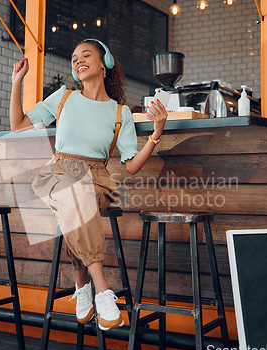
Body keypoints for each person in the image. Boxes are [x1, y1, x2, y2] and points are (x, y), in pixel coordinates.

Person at [9, 39, 167, 331]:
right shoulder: (63, 97)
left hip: (98, 180)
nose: (78, 61)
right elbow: (18, 125)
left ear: (105, 63)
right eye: (74, 58)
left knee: (78, 200)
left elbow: (131, 166)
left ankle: (82, 286)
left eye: (86, 55)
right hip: (57, 172)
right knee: (75, 195)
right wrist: (18, 81)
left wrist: (156, 133)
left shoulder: (120, 114)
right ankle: (103, 290)